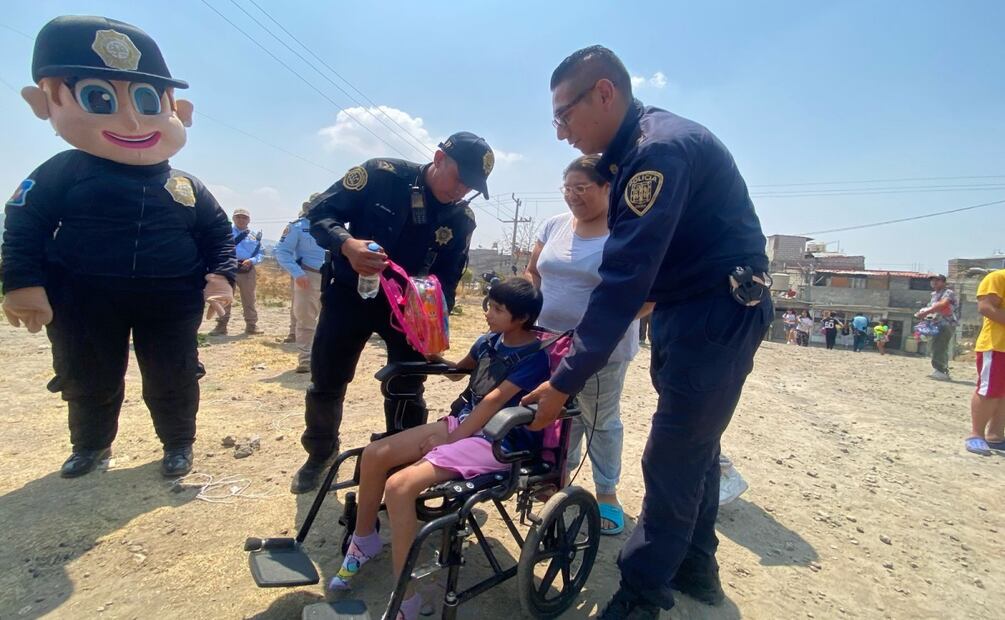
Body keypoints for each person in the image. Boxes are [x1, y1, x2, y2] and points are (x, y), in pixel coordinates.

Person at [522, 46, 772, 617]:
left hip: (718, 310)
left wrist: (563, 381)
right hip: (689, 310)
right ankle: (695, 565)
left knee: (673, 454)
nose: (560, 132)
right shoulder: (630, 152)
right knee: (695, 448)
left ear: (604, 93)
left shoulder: (655, 151)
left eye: (564, 114)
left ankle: (640, 596)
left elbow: (622, 281)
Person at [1, 15, 235, 479]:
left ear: (178, 111)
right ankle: (89, 446)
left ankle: (177, 444)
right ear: (44, 101)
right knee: (88, 376)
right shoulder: (62, 171)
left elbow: (217, 233)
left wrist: (221, 275)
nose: (130, 119)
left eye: (148, 100)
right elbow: (24, 223)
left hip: (169, 298)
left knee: (174, 376)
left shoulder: (186, 184)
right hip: (84, 297)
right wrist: (22, 282)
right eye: (97, 98)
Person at [328, 279, 550, 620]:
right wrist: (428, 348)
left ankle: (408, 597)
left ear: (521, 318)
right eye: (489, 305)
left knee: (399, 486)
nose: (488, 313)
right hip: (463, 424)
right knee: (374, 455)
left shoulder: (535, 358)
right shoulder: (489, 341)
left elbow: (493, 401)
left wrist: (452, 438)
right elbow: (458, 373)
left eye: (497, 309)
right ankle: (364, 540)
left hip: (498, 440)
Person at [291, 132, 494, 494]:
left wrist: (433, 329)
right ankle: (320, 452)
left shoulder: (461, 218)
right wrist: (347, 244)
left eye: (471, 186)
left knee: (407, 388)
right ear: (438, 158)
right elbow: (321, 212)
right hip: (350, 295)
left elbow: (446, 280)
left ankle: (399, 460)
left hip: (408, 311)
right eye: (460, 178)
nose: (462, 190)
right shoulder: (382, 176)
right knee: (326, 381)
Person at [525, 154, 646, 536]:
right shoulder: (553, 226)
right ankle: (559, 480)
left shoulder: (626, 233)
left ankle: (607, 493)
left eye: (583, 188)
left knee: (599, 420)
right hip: (547, 342)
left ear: (609, 187)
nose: (573, 196)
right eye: (568, 188)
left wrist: (601, 327)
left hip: (601, 350)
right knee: (558, 414)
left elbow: (650, 295)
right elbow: (533, 271)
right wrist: (526, 309)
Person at [274, 195, 326, 373]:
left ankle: (325, 357)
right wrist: (297, 273)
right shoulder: (297, 227)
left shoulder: (334, 226)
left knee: (330, 320)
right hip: (308, 276)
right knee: (306, 319)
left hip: (331, 277)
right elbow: (282, 252)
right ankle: (305, 358)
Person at [968, 269, 1005, 455]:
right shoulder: (998, 277)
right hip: (997, 346)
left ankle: (996, 437)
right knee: (989, 390)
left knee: (1002, 394)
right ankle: (976, 435)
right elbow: (986, 307)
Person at [210, 208, 263, 335]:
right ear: (233, 219)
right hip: (228, 268)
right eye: (238, 217)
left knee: (249, 298)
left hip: (247, 269)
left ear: (249, 220)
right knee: (224, 297)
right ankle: (221, 325)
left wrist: (252, 260)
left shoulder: (254, 236)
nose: (241, 219)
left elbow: (260, 253)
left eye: (244, 217)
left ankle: (251, 325)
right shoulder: (226, 232)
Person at [916, 274, 959, 380]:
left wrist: (927, 311)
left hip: (946, 323)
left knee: (939, 347)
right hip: (936, 324)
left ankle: (941, 370)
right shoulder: (934, 295)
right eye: (932, 280)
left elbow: (943, 305)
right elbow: (933, 309)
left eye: (937, 280)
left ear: (943, 282)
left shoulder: (948, 292)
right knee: (935, 346)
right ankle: (940, 369)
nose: (934, 282)